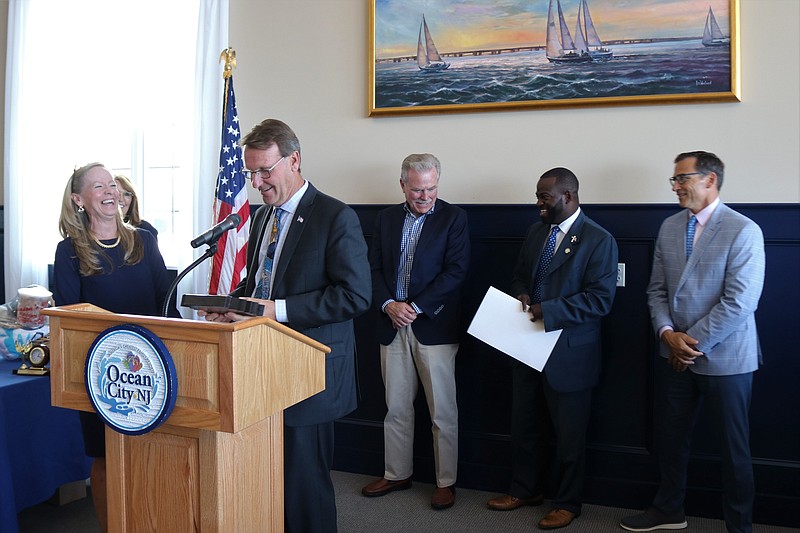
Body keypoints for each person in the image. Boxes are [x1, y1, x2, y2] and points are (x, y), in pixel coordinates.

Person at [199, 119, 371, 533]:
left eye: (264, 171)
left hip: (307, 371)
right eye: (250, 172)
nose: (256, 182)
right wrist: (231, 305)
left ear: (293, 160)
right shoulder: (262, 218)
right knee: (267, 478)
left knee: (303, 483)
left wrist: (278, 310)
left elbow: (355, 296)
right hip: (260, 367)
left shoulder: (335, 216)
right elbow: (259, 282)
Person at [620, 151, 765, 533]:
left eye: (682, 178)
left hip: (726, 359)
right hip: (674, 356)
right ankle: (669, 510)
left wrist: (690, 342)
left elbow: (740, 302)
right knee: (670, 439)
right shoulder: (669, 227)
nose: (675, 186)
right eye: (674, 180)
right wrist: (668, 334)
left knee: (734, 452)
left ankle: (740, 526)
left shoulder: (743, 229)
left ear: (710, 180)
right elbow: (656, 291)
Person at [487, 167, 618, 530]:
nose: (538, 204)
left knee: (569, 434)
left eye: (545, 197)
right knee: (524, 424)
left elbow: (600, 300)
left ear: (569, 197)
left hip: (569, 350)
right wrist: (522, 294)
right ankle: (525, 489)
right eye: (537, 196)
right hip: (527, 343)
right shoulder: (536, 232)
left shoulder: (598, 239)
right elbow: (519, 275)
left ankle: (567, 502)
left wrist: (550, 310)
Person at [53, 162, 179, 532]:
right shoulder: (69, 252)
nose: (110, 191)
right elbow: (70, 317)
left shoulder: (143, 240)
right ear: (78, 200)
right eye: (98, 186)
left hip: (150, 367)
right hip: (101, 373)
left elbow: (164, 300)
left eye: (112, 184)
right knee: (107, 457)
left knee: (151, 451)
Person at [361, 154, 470, 510]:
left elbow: (455, 272)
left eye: (432, 188)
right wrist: (389, 305)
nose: (425, 197)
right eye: (418, 190)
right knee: (395, 406)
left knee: (442, 411)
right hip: (390, 323)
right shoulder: (386, 218)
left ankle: (445, 482)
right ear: (403, 185)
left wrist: (415, 307)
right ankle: (397, 473)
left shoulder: (454, 218)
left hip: (433, 325)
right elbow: (373, 268)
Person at [114, 174, 159, 239]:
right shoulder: (98, 230)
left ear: (133, 199)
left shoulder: (146, 230)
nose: (121, 199)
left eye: (126, 194)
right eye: (117, 193)